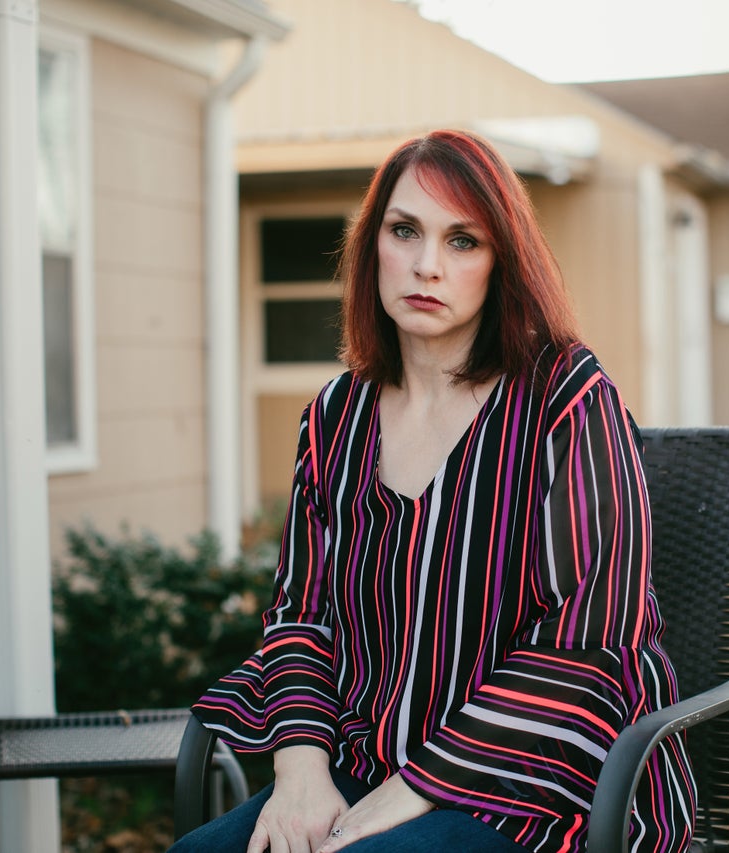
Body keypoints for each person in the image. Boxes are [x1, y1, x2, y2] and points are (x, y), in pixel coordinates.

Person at [173, 129, 695, 853]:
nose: (425, 265)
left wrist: (419, 786)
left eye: (462, 241)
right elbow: (301, 616)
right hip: (364, 765)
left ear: (501, 261)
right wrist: (299, 773)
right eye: (404, 230)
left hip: (540, 782)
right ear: (372, 245)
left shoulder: (565, 399)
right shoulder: (334, 417)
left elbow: (589, 643)